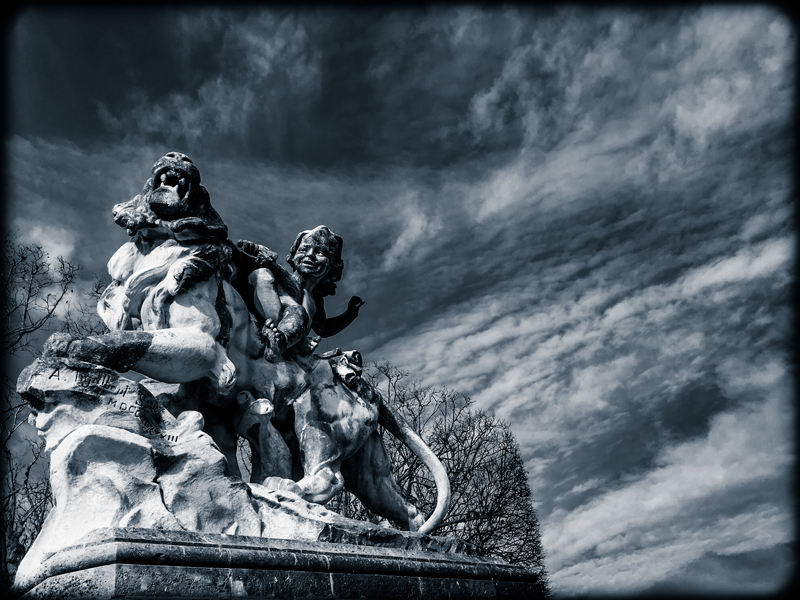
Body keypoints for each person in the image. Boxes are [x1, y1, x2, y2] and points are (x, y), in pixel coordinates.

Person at [237, 226, 364, 362]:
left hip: (285, 338)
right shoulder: (283, 276)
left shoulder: (316, 302)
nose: (309, 255)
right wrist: (252, 249)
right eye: (303, 249)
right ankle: (281, 339)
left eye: (320, 252)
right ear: (293, 255)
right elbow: (257, 261)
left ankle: (279, 343)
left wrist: (350, 314)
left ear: (333, 265)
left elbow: (324, 328)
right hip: (264, 315)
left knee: (298, 312)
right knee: (263, 275)